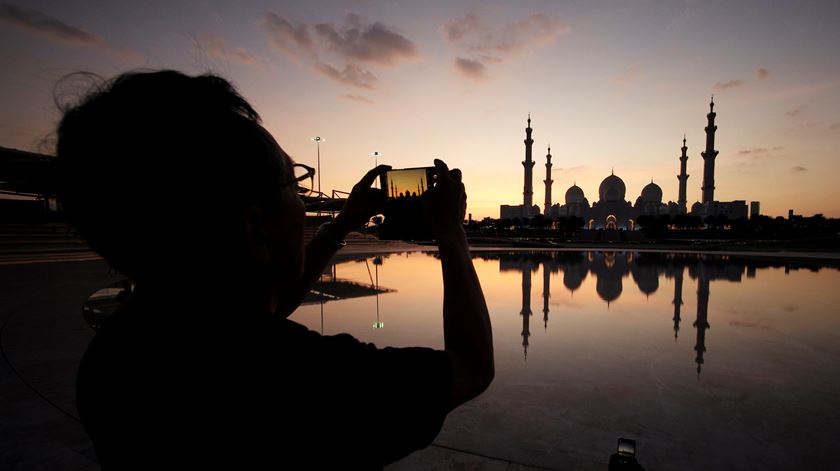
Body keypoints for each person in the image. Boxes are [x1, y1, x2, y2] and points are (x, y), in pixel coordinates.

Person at [55, 70, 494, 470]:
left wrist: (344, 221)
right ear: (255, 226)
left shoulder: (123, 349)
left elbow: (269, 307)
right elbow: (471, 367)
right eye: (294, 185)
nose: (302, 205)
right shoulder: (302, 380)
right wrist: (452, 235)